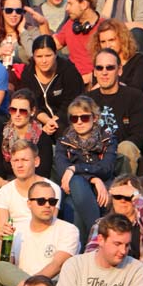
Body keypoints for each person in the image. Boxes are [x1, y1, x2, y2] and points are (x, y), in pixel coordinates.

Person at [56, 95, 117, 243]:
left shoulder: (108, 139)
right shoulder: (63, 142)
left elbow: (106, 168)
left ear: (95, 118)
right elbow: (62, 170)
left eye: (84, 118)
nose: (79, 122)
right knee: (75, 185)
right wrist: (93, 178)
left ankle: (81, 252)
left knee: (76, 201)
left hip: (102, 188)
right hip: (75, 189)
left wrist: (75, 168)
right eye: (74, 118)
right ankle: (98, 238)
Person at [85, 176, 143, 282]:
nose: (123, 200)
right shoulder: (101, 225)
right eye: (118, 196)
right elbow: (91, 256)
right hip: (108, 282)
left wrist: (135, 195)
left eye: (128, 197)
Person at [87, 48, 143, 175]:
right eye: (99, 68)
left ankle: (123, 190)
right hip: (94, 152)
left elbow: (138, 136)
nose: (104, 72)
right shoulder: (87, 100)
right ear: (94, 72)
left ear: (119, 70)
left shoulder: (135, 97)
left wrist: (110, 150)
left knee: (127, 147)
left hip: (122, 152)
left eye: (109, 68)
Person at [18, 35, 84, 142]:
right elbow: (30, 103)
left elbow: (72, 101)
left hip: (66, 118)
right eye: (39, 57)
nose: (44, 61)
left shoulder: (68, 70)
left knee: (61, 130)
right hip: (39, 119)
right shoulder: (28, 74)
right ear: (33, 57)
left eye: (48, 55)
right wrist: (47, 121)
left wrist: (54, 122)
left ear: (55, 54)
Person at [0, 139, 61, 235]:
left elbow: (49, 225)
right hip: (14, 243)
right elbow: (1, 232)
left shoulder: (52, 189)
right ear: (11, 163)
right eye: (16, 160)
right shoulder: (4, 192)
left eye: (25, 160)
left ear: (36, 161)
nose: (19, 165)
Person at [0, 88, 54, 187]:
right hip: (7, 187)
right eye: (13, 110)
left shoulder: (43, 139)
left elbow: (44, 174)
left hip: (35, 188)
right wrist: (10, 187)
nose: (17, 114)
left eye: (23, 111)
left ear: (32, 111)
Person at [53, 0, 101, 84]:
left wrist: (91, 77)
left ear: (84, 4)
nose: (67, 8)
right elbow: (51, 46)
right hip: (72, 81)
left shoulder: (105, 27)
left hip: (96, 82)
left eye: (70, 4)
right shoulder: (70, 24)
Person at [0, 0, 43, 66]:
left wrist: (22, 31)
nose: (14, 14)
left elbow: (36, 57)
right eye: (9, 10)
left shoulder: (32, 31)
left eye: (18, 11)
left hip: (24, 76)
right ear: (1, 11)